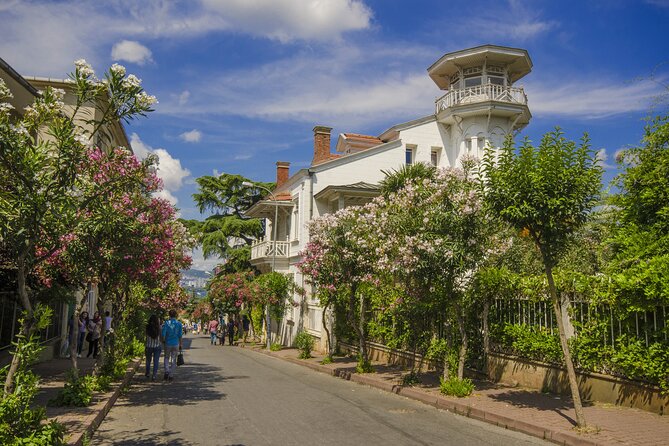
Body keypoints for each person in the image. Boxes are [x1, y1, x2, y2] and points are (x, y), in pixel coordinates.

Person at [161, 309, 183, 381]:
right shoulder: (179, 323)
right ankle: (171, 375)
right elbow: (180, 335)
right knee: (173, 359)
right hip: (176, 343)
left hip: (168, 343)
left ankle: (166, 370)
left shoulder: (166, 323)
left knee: (166, 357)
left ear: (169, 315)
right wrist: (180, 344)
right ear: (176, 315)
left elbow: (163, 333)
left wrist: (163, 340)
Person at [145, 314, 162, 381]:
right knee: (156, 361)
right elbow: (161, 337)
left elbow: (145, 336)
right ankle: (154, 375)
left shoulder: (147, 327)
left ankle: (148, 373)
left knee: (148, 360)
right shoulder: (159, 327)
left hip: (148, 346)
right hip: (157, 346)